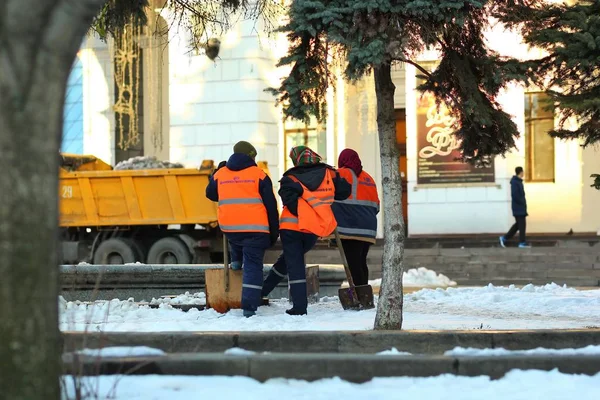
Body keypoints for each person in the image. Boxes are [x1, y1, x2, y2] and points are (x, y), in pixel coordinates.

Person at [261, 146, 351, 315]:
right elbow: (345, 191)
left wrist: (305, 208)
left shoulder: (289, 178)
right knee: (287, 261)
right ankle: (263, 291)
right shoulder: (330, 174)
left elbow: (290, 202)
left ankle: (299, 307)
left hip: (291, 228)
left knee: (294, 264)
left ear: (296, 159)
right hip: (313, 230)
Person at [206, 141, 279, 317]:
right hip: (256, 230)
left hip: (230, 228)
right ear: (251, 157)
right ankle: (249, 307)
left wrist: (217, 173)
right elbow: (271, 206)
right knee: (253, 266)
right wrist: (273, 232)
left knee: (237, 239)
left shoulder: (221, 174)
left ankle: (236, 261)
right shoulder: (259, 175)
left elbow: (210, 193)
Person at [331, 149, 380, 285]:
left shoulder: (340, 174)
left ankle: (360, 295)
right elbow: (376, 206)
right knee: (361, 262)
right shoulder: (368, 177)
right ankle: (364, 293)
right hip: (368, 229)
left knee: (353, 264)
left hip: (350, 229)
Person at [500, 166, 531, 248]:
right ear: (520, 172)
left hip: (520, 207)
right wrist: (522, 203)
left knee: (518, 225)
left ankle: (504, 238)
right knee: (522, 225)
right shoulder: (515, 182)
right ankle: (522, 242)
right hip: (518, 208)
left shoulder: (518, 182)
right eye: (523, 172)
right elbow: (515, 195)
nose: (524, 173)